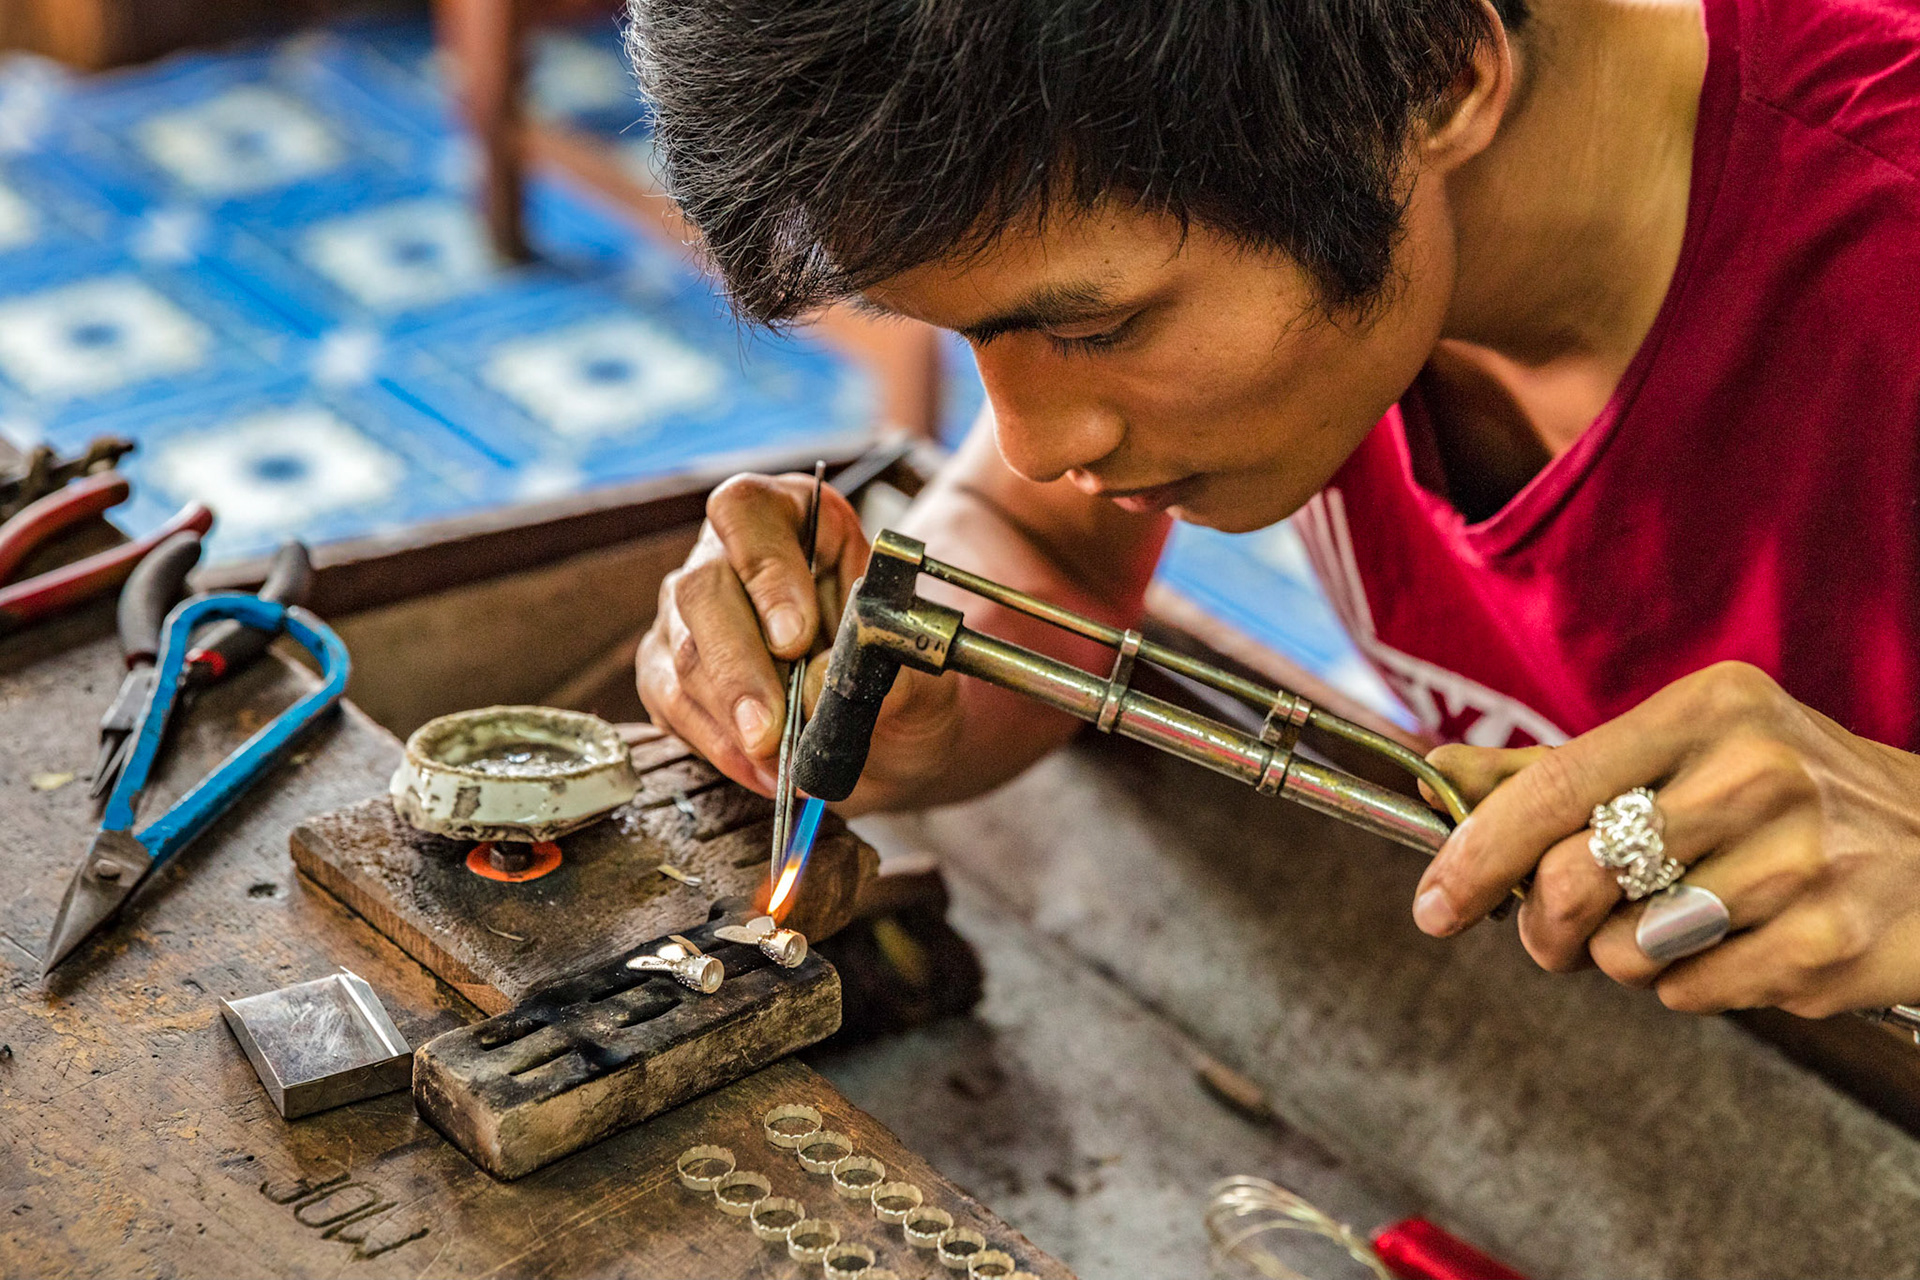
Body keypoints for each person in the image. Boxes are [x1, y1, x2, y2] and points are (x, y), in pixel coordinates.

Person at [625, 0, 1920, 1024]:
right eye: (970, 337)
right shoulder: (1309, 140)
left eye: (1092, 327)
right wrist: (914, 682)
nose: (1031, 437)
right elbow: (1035, 538)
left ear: (1444, 75)